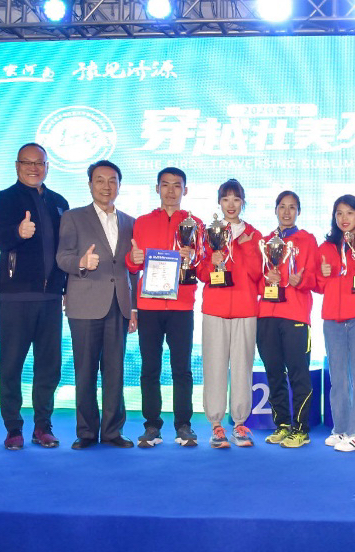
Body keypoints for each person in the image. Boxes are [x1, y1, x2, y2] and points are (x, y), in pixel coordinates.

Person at [0, 142, 69, 451]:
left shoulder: (59, 202)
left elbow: (67, 250)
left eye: (39, 163)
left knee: (49, 367)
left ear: (47, 167)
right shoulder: (3, 198)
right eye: (27, 162)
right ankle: (13, 428)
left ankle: (42, 426)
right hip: (15, 297)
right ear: (17, 165)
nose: (34, 168)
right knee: (11, 366)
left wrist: (66, 288)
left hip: (51, 299)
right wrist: (17, 233)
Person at [56, 161, 136, 449]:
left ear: (119, 185)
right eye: (100, 180)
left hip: (119, 306)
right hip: (84, 305)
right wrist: (81, 262)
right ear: (90, 185)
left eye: (112, 180)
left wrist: (134, 308)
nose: (106, 186)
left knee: (115, 372)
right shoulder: (73, 217)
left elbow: (132, 268)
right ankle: (87, 432)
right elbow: (62, 257)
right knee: (85, 371)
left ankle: (113, 431)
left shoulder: (130, 222)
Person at [126, 167, 204, 448]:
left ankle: (183, 425)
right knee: (150, 367)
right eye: (165, 185)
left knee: (182, 368)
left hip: (181, 305)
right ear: (157, 188)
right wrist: (133, 258)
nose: (171, 191)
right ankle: (151, 426)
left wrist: (193, 257)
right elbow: (132, 265)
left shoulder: (196, 224)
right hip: (149, 304)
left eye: (177, 185)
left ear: (186, 190)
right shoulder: (142, 222)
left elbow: (203, 269)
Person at [197, 179, 263, 449]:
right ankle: (216, 425)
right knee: (214, 366)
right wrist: (210, 261)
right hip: (215, 308)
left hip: (246, 310)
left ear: (243, 202)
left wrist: (245, 246)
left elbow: (257, 273)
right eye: (226, 199)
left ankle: (239, 423)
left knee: (242, 367)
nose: (231, 204)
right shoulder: (208, 232)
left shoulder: (255, 235)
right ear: (219, 202)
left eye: (236, 199)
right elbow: (201, 274)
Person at [316, 194, 355, 452]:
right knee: (338, 377)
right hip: (332, 318)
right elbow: (318, 286)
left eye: (349, 213)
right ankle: (341, 428)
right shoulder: (326, 247)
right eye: (339, 213)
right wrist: (323, 275)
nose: (344, 218)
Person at [257, 191, 319, 447]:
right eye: (282, 206)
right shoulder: (264, 242)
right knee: (274, 373)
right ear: (275, 210)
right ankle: (282, 424)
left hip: (295, 315)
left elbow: (315, 279)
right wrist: (266, 281)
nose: (286, 212)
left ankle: (301, 429)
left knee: (298, 373)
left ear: (298, 212)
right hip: (266, 316)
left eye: (292, 207)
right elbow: (255, 280)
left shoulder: (307, 240)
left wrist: (300, 280)